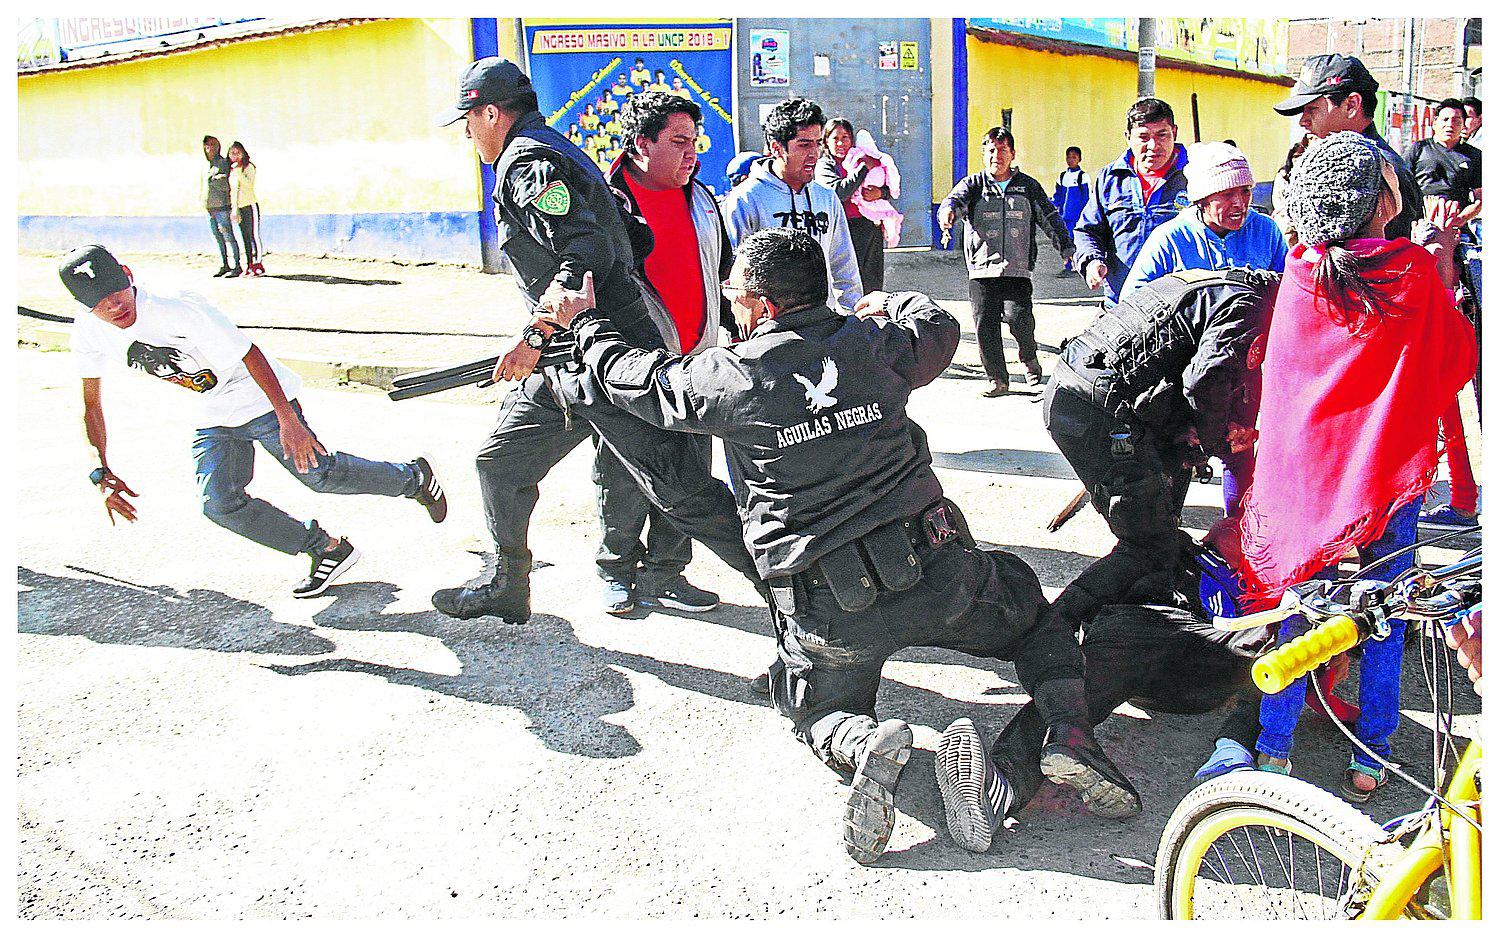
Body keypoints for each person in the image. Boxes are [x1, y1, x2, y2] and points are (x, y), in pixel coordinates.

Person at [552, 228, 1137, 863]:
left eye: (737, 294)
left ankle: (867, 742)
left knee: (817, 711)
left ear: (765, 305)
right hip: (942, 573)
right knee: (1032, 615)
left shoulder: (733, 375)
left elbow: (638, 381)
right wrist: (894, 304)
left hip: (829, 606)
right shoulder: (875, 343)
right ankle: (1071, 734)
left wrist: (588, 328)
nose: (731, 304)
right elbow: (938, 328)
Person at [429, 57, 760, 623]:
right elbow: (633, 236)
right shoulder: (556, 151)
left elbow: (586, 250)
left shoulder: (526, 162)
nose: (466, 133)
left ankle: (803, 593)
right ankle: (509, 583)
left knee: (680, 491)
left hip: (607, 358)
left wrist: (539, 328)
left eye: (469, 119)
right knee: (500, 465)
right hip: (569, 358)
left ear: (490, 112)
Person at [1230, 132, 1476, 801]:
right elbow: (1456, 362)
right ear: (1376, 203)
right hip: (1385, 487)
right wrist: (1443, 258)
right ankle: (1373, 756)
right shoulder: (1413, 272)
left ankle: (1273, 750)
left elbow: (1283, 385)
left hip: (1309, 486)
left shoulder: (1304, 271)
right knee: (1386, 619)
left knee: (1297, 611)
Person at [60, 244, 447, 597]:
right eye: (98, 303)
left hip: (259, 396)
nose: (113, 307)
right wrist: (99, 469)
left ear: (128, 274)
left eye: (116, 293)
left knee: (319, 476)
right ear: (84, 307)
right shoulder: (90, 331)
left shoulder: (177, 308)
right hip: (213, 411)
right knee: (219, 503)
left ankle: (413, 477)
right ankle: (326, 548)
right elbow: (90, 405)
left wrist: (288, 420)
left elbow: (250, 354)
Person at [1042, 267, 1275, 637]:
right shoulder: (1252, 306)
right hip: (1098, 410)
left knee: (1158, 531)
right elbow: (1205, 381)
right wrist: (1216, 437)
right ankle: (1050, 631)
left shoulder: (1232, 288)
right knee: (1149, 545)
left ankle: (1131, 633)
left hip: (1101, 401)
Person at [589, 90, 729, 615]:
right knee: (624, 469)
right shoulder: (605, 207)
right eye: (678, 142)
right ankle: (615, 567)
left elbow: (721, 271)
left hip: (695, 363)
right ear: (640, 145)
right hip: (629, 369)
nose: (692, 154)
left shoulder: (703, 200)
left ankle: (669, 570)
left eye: (694, 142)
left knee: (690, 473)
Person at [938, 127, 1075, 396]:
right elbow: (953, 201)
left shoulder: (1028, 186)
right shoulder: (973, 185)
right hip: (981, 270)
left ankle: (1029, 361)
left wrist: (1067, 248)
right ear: (983, 154)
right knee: (984, 324)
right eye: (991, 151)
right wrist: (947, 213)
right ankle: (997, 379)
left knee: (1019, 318)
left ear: (1012, 154)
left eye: (1002, 151)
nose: (996, 156)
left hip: (1017, 269)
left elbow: (1049, 217)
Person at [1406, 100, 1484, 530]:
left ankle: (1464, 498)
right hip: (1427, 318)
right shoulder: (1416, 155)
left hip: (1439, 327)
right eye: (1444, 118)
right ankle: (1460, 496)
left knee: (1448, 409)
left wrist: (1453, 226)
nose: (1451, 125)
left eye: (1458, 119)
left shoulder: (1472, 162)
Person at [722, 97, 863, 313]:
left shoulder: (826, 198)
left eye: (817, 144)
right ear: (776, 148)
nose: (814, 154)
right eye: (804, 145)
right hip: (770, 330)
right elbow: (735, 277)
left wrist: (850, 317)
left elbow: (844, 265)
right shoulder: (746, 199)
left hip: (823, 326)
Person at [1271, 54, 1423, 240]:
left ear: (1351, 105)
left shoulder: (1385, 172)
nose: (1303, 121)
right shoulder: (1326, 164)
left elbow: (1390, 260)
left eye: (1312, 109)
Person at [1122, 142, 1287, 299]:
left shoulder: (1266, 230)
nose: (1239, 203)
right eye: (1227, 194)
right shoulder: (1170, 238)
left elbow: (1288, 288)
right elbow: (1132, 299)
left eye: (1245, 191)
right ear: (1201, 200)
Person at [1073, 98, 1190, 305]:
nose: (1154, 145)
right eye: (1143, 137)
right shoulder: (1111, 178)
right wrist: (1092, 261)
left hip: (1179, 306)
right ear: (1128, 137)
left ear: (1175, 132)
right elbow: (1088, 231)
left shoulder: (1196, 174)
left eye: (1162, 135)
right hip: (1120, 305)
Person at [815, 118, 887, 293]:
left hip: (870, 226)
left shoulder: (858, 158)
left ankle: (872, 314)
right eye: (835, 138)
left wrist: (881, 193)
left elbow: (886, 181)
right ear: (825, 141)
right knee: (848, 276)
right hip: (844, 227)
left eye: (845, 137)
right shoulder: (825, 165)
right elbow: (838, 193)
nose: (840, 143)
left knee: (872, 276)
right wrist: (863, 169)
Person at [202, 136, 241, 278]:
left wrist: (215, 180)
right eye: (206, 146)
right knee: (218, 239)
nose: (209, 149)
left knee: (229, 237)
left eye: (212, 145)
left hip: (223, 208)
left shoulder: (223, 163)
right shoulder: (209, 166)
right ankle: (225, 264)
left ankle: (237, 266)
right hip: (211, 210)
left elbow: (227, 183)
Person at [227, 141, 265, 278]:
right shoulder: (231, 171)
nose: (235, 156)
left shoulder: (249, 167)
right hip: (239, 208)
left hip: (250, 205)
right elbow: (233, 191)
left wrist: (239, 172)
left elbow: (249, 185)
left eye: (238, 152)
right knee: (244, 237)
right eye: (232, 153)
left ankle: (258, 264)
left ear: (243, 153)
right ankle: (249, 264)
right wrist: (234, 209)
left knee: (253, 235)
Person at [1051, 146, 1090, 274]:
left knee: (1076, 240)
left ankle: (1077, 265)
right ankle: (1068, 265)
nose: (1071, 160)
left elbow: (1087, 197)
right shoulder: (1063, 176)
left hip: (1077, 216)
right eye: (1068, 157)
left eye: (1074, 157)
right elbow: (1058, 195)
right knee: (1065, 240)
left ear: (1079, 159)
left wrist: (1085, 214)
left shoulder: (1082, 177)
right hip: (1064, 216)